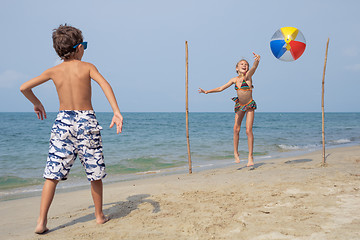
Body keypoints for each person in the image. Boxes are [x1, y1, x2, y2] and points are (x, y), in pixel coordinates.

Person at [20, 24, 123, 234]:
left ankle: (41, 222)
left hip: (63, 122)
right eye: (84, 45)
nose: (85, 49)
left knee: (52, 174)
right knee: (94, 172)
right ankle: (99, 216)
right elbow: (105, 85)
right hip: (87, 121)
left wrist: (37, 103)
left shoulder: (53, 71)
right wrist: (116, 111)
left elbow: (24, 87)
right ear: (78, 48)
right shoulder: (87, 67)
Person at [198, 53, 260, 166]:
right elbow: (221, 88)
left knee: (248, 130)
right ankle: (236, 153)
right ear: (237, 68)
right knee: (236, 129)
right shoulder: (234, 80)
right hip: (240, 104)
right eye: (242, 64)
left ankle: (250, 156)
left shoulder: (248, 77)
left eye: (246, 64)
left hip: (249, 104)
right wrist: (207, 91)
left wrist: (257, 61)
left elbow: (254, 68)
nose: (244, 65)